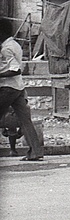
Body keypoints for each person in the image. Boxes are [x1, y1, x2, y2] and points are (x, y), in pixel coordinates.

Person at [0, 18, 44, 161]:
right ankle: (36, 152)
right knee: (26, 121)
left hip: (8, 87)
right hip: (18, 87)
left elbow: (15, 69)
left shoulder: (6, 48)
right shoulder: (15, 44)